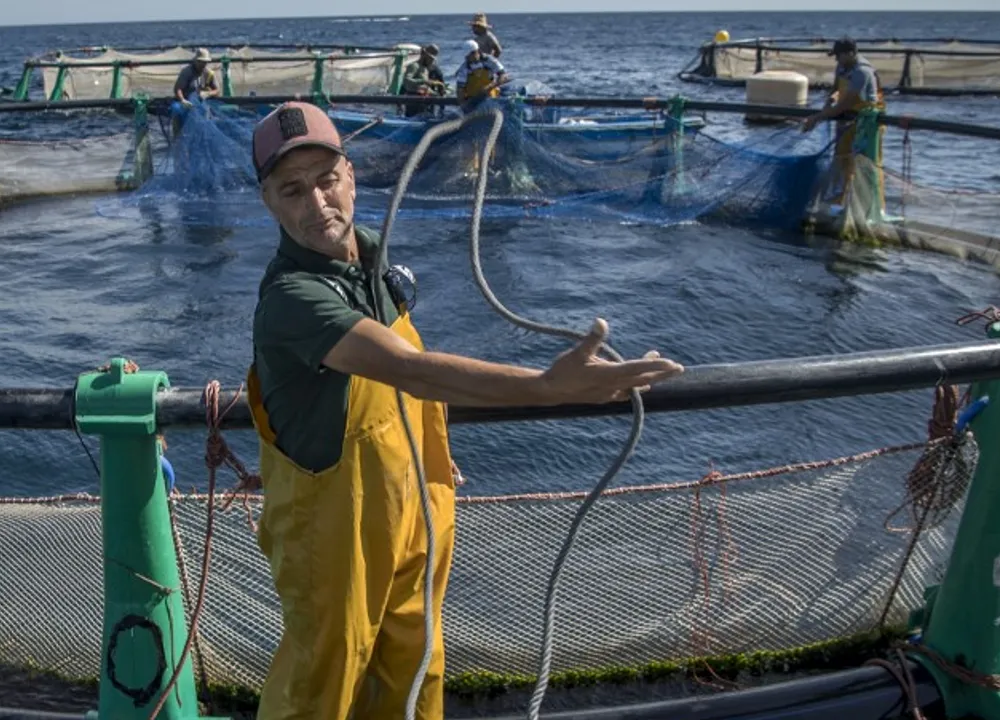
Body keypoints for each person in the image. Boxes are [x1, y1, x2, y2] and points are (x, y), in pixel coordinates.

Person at [246, 101, 684, 720]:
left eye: (326, 180)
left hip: (410, 511)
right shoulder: (293, 298)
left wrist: (434, 457)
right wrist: (549, 386)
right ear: (268, 200)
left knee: (415, 669)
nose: (317, 204)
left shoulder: (373, 260)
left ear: (351, 174)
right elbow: (409, 370)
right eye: (293, 190)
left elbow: (400, 381)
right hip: (330, 534)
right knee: (322, 685)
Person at [801, 37, 886, 209]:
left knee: (861, 164)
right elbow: (837, 92)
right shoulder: (841, 67)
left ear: (850, 53)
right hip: (845, 119)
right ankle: (839, 200)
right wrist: (829, 101)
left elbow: (846, 103)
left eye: (839, 55)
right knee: (841, 160)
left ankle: (863, 206)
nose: (836, 59)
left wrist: (817, 117)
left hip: (865, 122)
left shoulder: (862, 72)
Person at [171, 48, 222, 136]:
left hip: (201, 103)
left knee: (206, 114)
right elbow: (178, 89)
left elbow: (217, 90)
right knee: (176, 111)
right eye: (201, 62)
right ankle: (178, 137)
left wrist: (208, 93)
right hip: (187, 102)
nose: (203, 64)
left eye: (205, 62)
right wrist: (183, 100)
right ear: (196, 61)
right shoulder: (187, 72)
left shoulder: (209, 73)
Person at [453, 39, 508, 113]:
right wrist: (463, 106)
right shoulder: (464, 69)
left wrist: (490, 86)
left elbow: (503, 75)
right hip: (473, 100)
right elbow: (459, 90)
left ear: (477, 52)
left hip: (491, 97)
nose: (467, 58)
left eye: (470, 55)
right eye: (466, 56)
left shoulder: (490, 60)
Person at [401, 43, 447, 119]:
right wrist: (424, 81)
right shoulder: (414, 66)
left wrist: (436, 94)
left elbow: (425, 87)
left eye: (433, 59)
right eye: (430, 59)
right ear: (424, 55)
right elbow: (406, 80)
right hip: (413, 102)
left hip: (425, 102)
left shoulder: (425, 69)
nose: (431, 61)